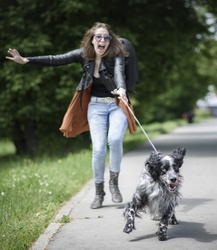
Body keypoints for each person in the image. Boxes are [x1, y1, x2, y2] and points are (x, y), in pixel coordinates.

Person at [6, 22, 137, 209]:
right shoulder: (83, 55)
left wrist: (122, 88)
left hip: (117, 105)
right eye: (98, 37)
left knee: (115, 140)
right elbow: (55, 59)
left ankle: (113, 183)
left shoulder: (116, 55)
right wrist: (27, 60)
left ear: (110, 41)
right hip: (96, 107)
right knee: (98, 149)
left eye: (106, 37)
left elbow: (119, 72)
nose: (102, 40)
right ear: (92, 40)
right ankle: (99, 192)